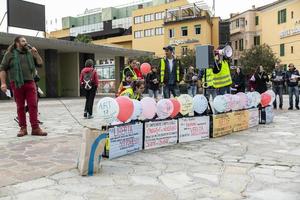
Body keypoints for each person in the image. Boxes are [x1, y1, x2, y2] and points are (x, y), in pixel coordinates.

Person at [0, 36, 47, 137]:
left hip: (30, 82)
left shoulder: (30, 53)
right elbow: (2, 68)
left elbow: (40, 63)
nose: (26, 42)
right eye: (23, 41)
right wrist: (3, 83)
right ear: (17, 42)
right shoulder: (9, 54)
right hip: (16, 83)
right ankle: (23, 128)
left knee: (33, 105)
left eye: (26, 41)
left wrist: (36, 53)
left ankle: (35, 128)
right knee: (20, 106)